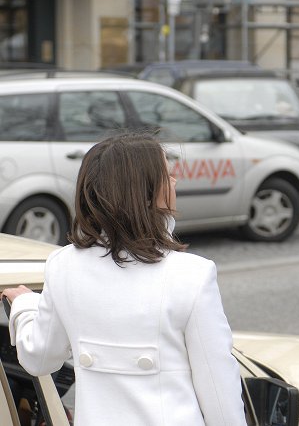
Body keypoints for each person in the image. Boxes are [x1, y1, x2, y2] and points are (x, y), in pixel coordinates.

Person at [2, 133, 247, 426]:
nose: (175, 182)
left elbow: (40, 358)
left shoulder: (63, 266)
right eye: (168, 176)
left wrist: (26, 305)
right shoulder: (192, 275)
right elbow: (220, 390)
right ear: (143, 192)